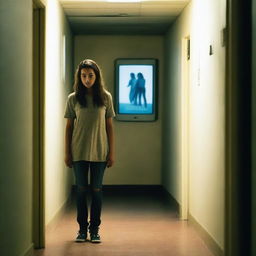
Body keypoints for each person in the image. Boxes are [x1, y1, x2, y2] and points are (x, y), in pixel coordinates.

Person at [64, 59, 115, 243]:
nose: (87, 79)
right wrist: (67, 152)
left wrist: (112, 152)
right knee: (81, 191)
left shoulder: (106, 97)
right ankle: (81, 230)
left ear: (97, 76)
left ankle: (95, 229)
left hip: (100, 152)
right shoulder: (73, 98)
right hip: (78, 152)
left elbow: (109, 126)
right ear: (79, 77)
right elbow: (69, 127)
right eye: (84, 76)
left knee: (96, 190)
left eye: (91, 75)